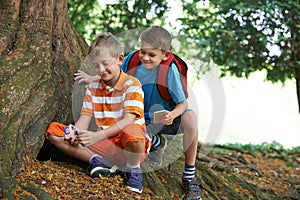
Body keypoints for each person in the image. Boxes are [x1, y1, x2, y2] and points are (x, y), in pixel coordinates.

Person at [75, 26, 201, 200]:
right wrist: (92, 79)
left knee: (190, 117)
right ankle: (155, 142)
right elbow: (116, 74)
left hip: (163, 118)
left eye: (151, 55)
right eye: (143, 52)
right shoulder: (132, 59)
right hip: (138, 118)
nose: (145, 58)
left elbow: (183, 103)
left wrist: (172, 114)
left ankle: (189, 175)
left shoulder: (169, 71)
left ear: (165, 55)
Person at [46, 32, 150, 194]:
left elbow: (128, 120)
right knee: (55, 131)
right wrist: (76, 132)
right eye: (96, 66)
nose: (101, 70)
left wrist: (97, 136)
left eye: (106, 63)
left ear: (120, 60)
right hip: (105, 144)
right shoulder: (94, 87)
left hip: (130, 147)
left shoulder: (132, 84)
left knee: (133, 131)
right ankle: (98, 161)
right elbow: (84, 119)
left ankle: (133, 170)